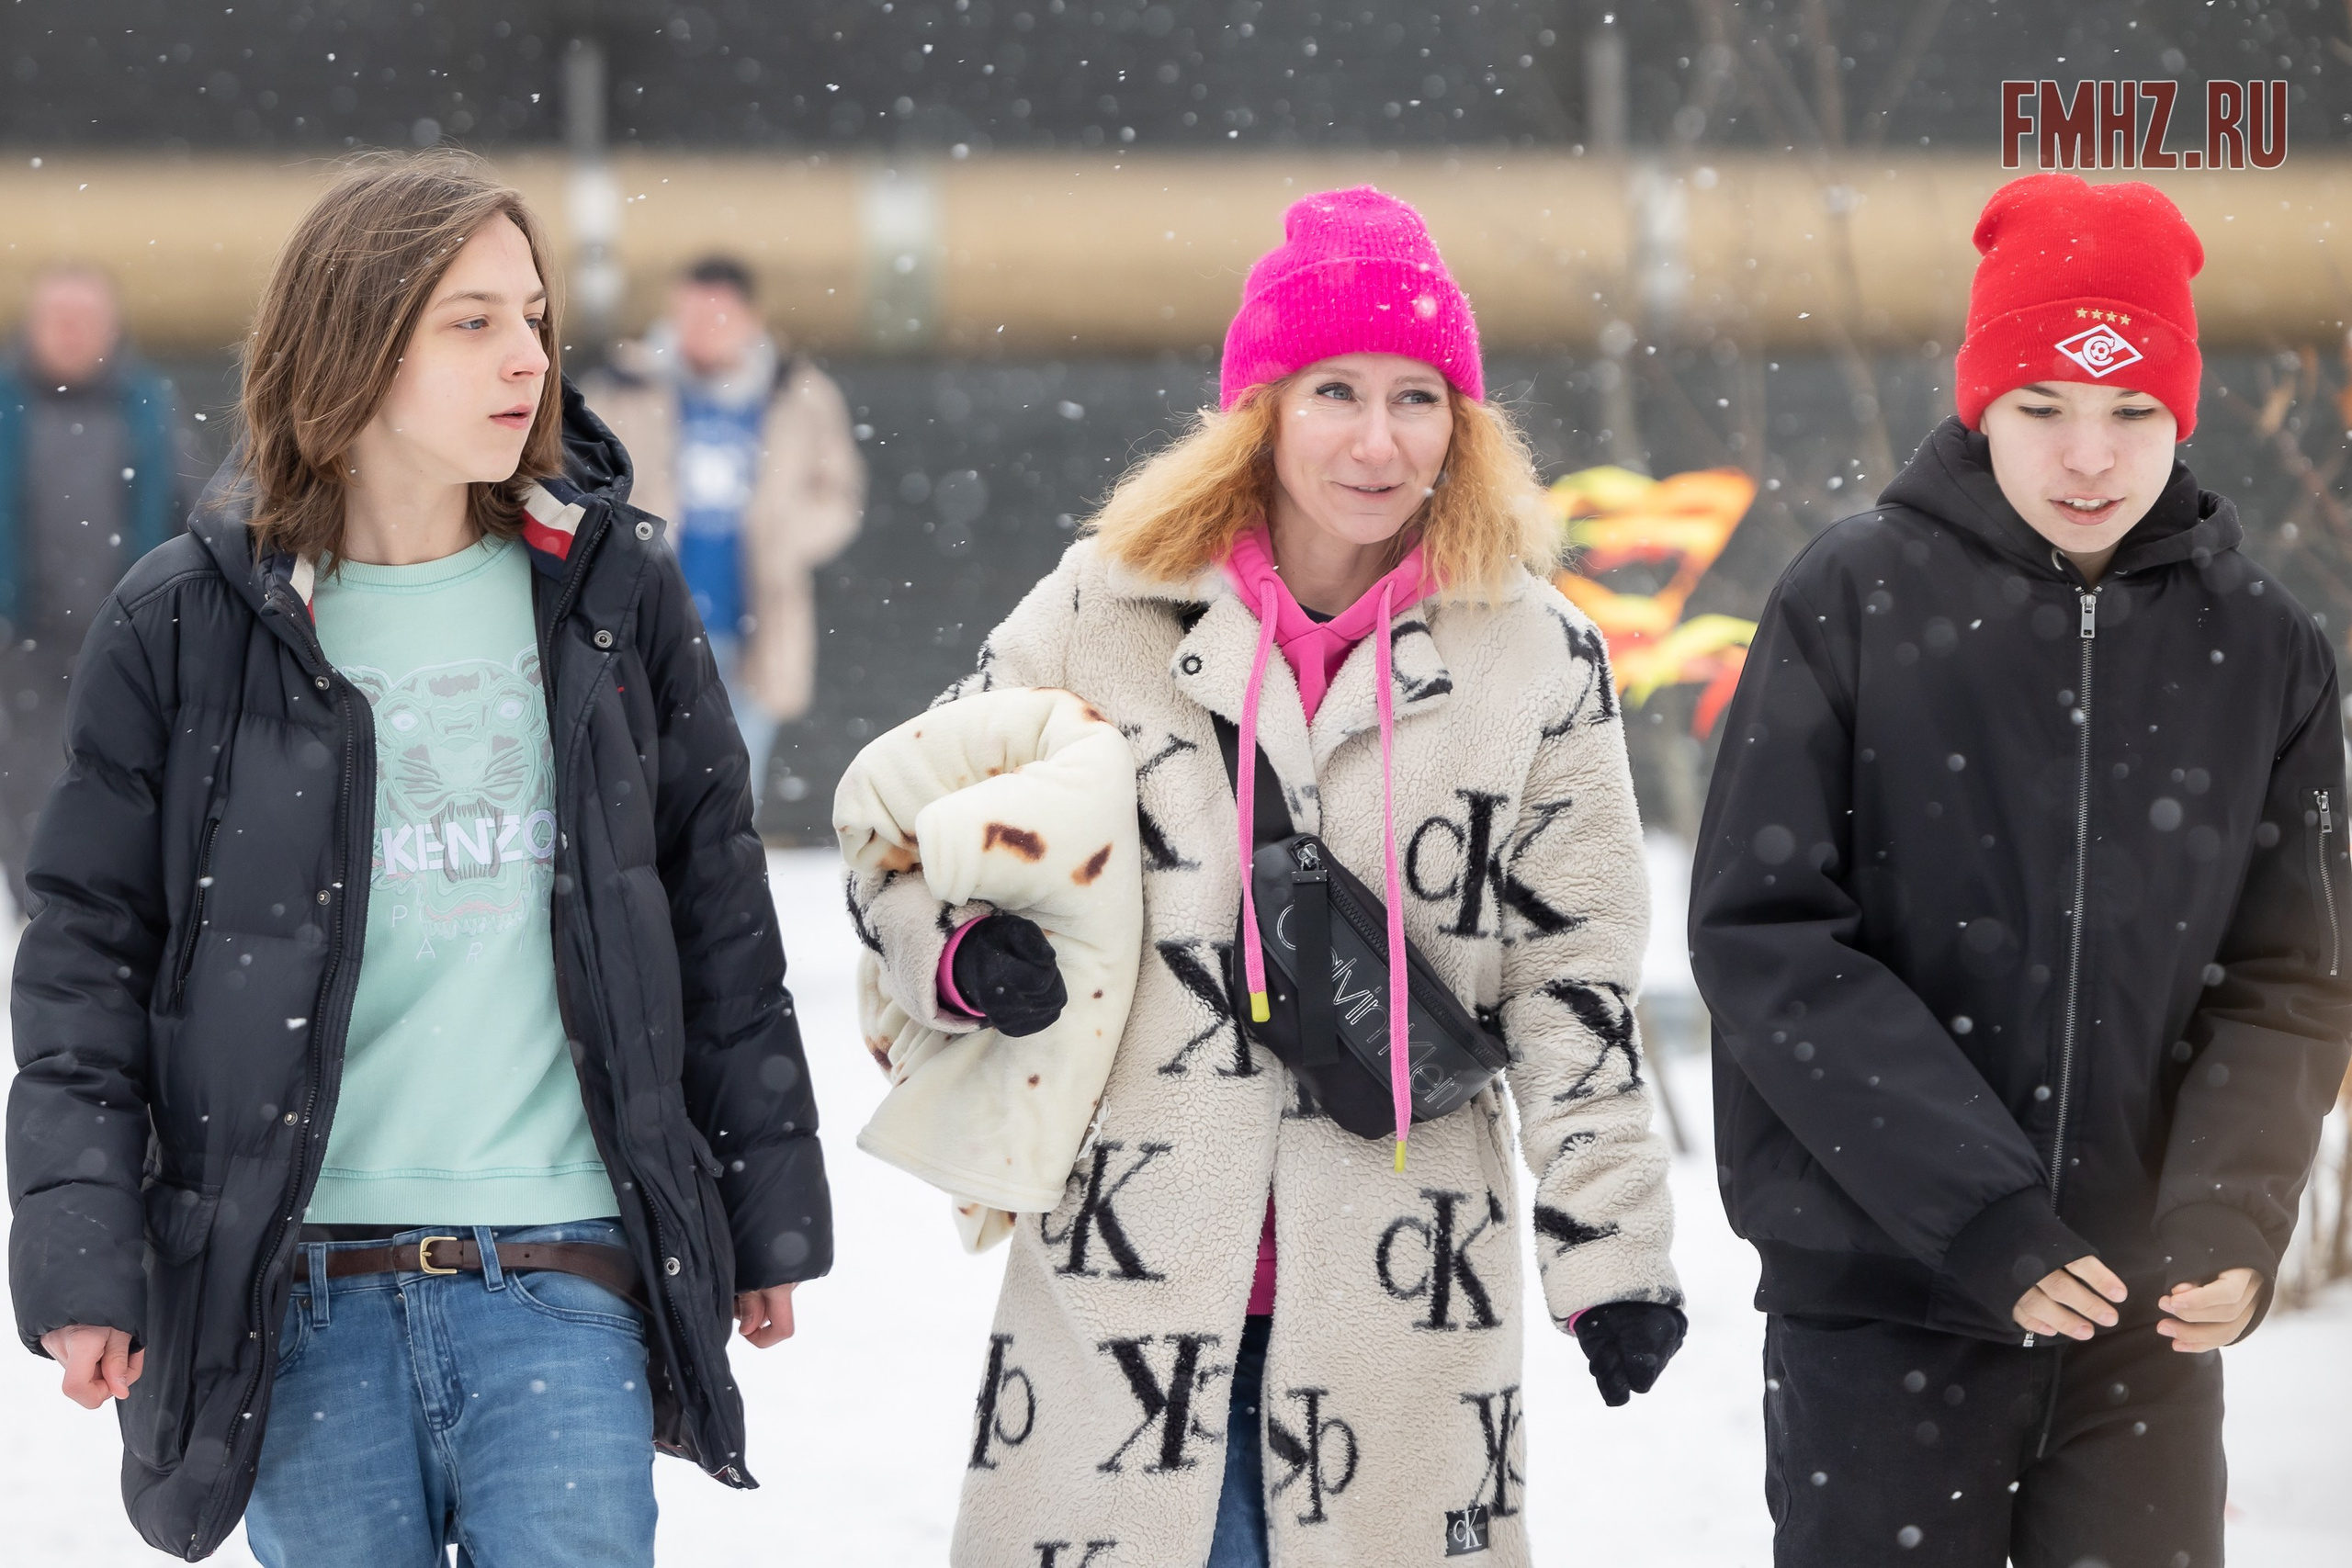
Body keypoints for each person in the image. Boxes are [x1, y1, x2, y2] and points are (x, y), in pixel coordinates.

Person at [6, 152, 832, 1566]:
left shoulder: (612, 590)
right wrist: (84, 1256)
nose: (527, 356)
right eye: (471, 322)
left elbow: (714, 907)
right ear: (356, 341)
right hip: (297, 1290)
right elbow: (88, 956)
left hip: (566, 1272)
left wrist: (763, 1205)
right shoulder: (184, 622)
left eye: (533, 317)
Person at [847, 187, 1685, 1568]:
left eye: (1418, 397)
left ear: (1463, 425)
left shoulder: (1538, 660)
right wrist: (959, 950)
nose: (1377, 438)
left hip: (1401, 1299)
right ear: (1263, 409)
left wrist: (1613, 1255)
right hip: (1125, 1292)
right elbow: (897, 837)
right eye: (1335, 390)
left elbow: (1571, 975)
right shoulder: (1096, 612)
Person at [1691, 172, 2352, 1567]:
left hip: (2138, 1327)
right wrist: (1979, 1210)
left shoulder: (2265, 648)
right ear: (1980, 400)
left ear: (2180, 414)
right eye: (2043, 405)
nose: (2090, 456)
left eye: (2132, 413)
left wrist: (2231, 1209)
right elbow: (1770, 939)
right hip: (1888, 1302)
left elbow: (2289, 971)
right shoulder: (1852, 598)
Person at [584, 255, 864, 807]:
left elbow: (839, 498)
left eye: (716, 318)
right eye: (689, 317)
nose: (701, 332)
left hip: (756, 622)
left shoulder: (798, 393)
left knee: (734, 789)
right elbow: (577, 481)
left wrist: (785, 538)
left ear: (750, 320)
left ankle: (723, 892)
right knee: (640, 786)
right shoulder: (624, 387)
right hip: (645, 619)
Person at [0, 265, 193, 915]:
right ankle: (41, 914)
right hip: (18, 641)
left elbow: (191, 513)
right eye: (59, 319)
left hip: (125, 641)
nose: (72, 334)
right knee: (25, 781)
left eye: (85, 320)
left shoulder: (151, 412)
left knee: (121, 773)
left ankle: (110, 906)